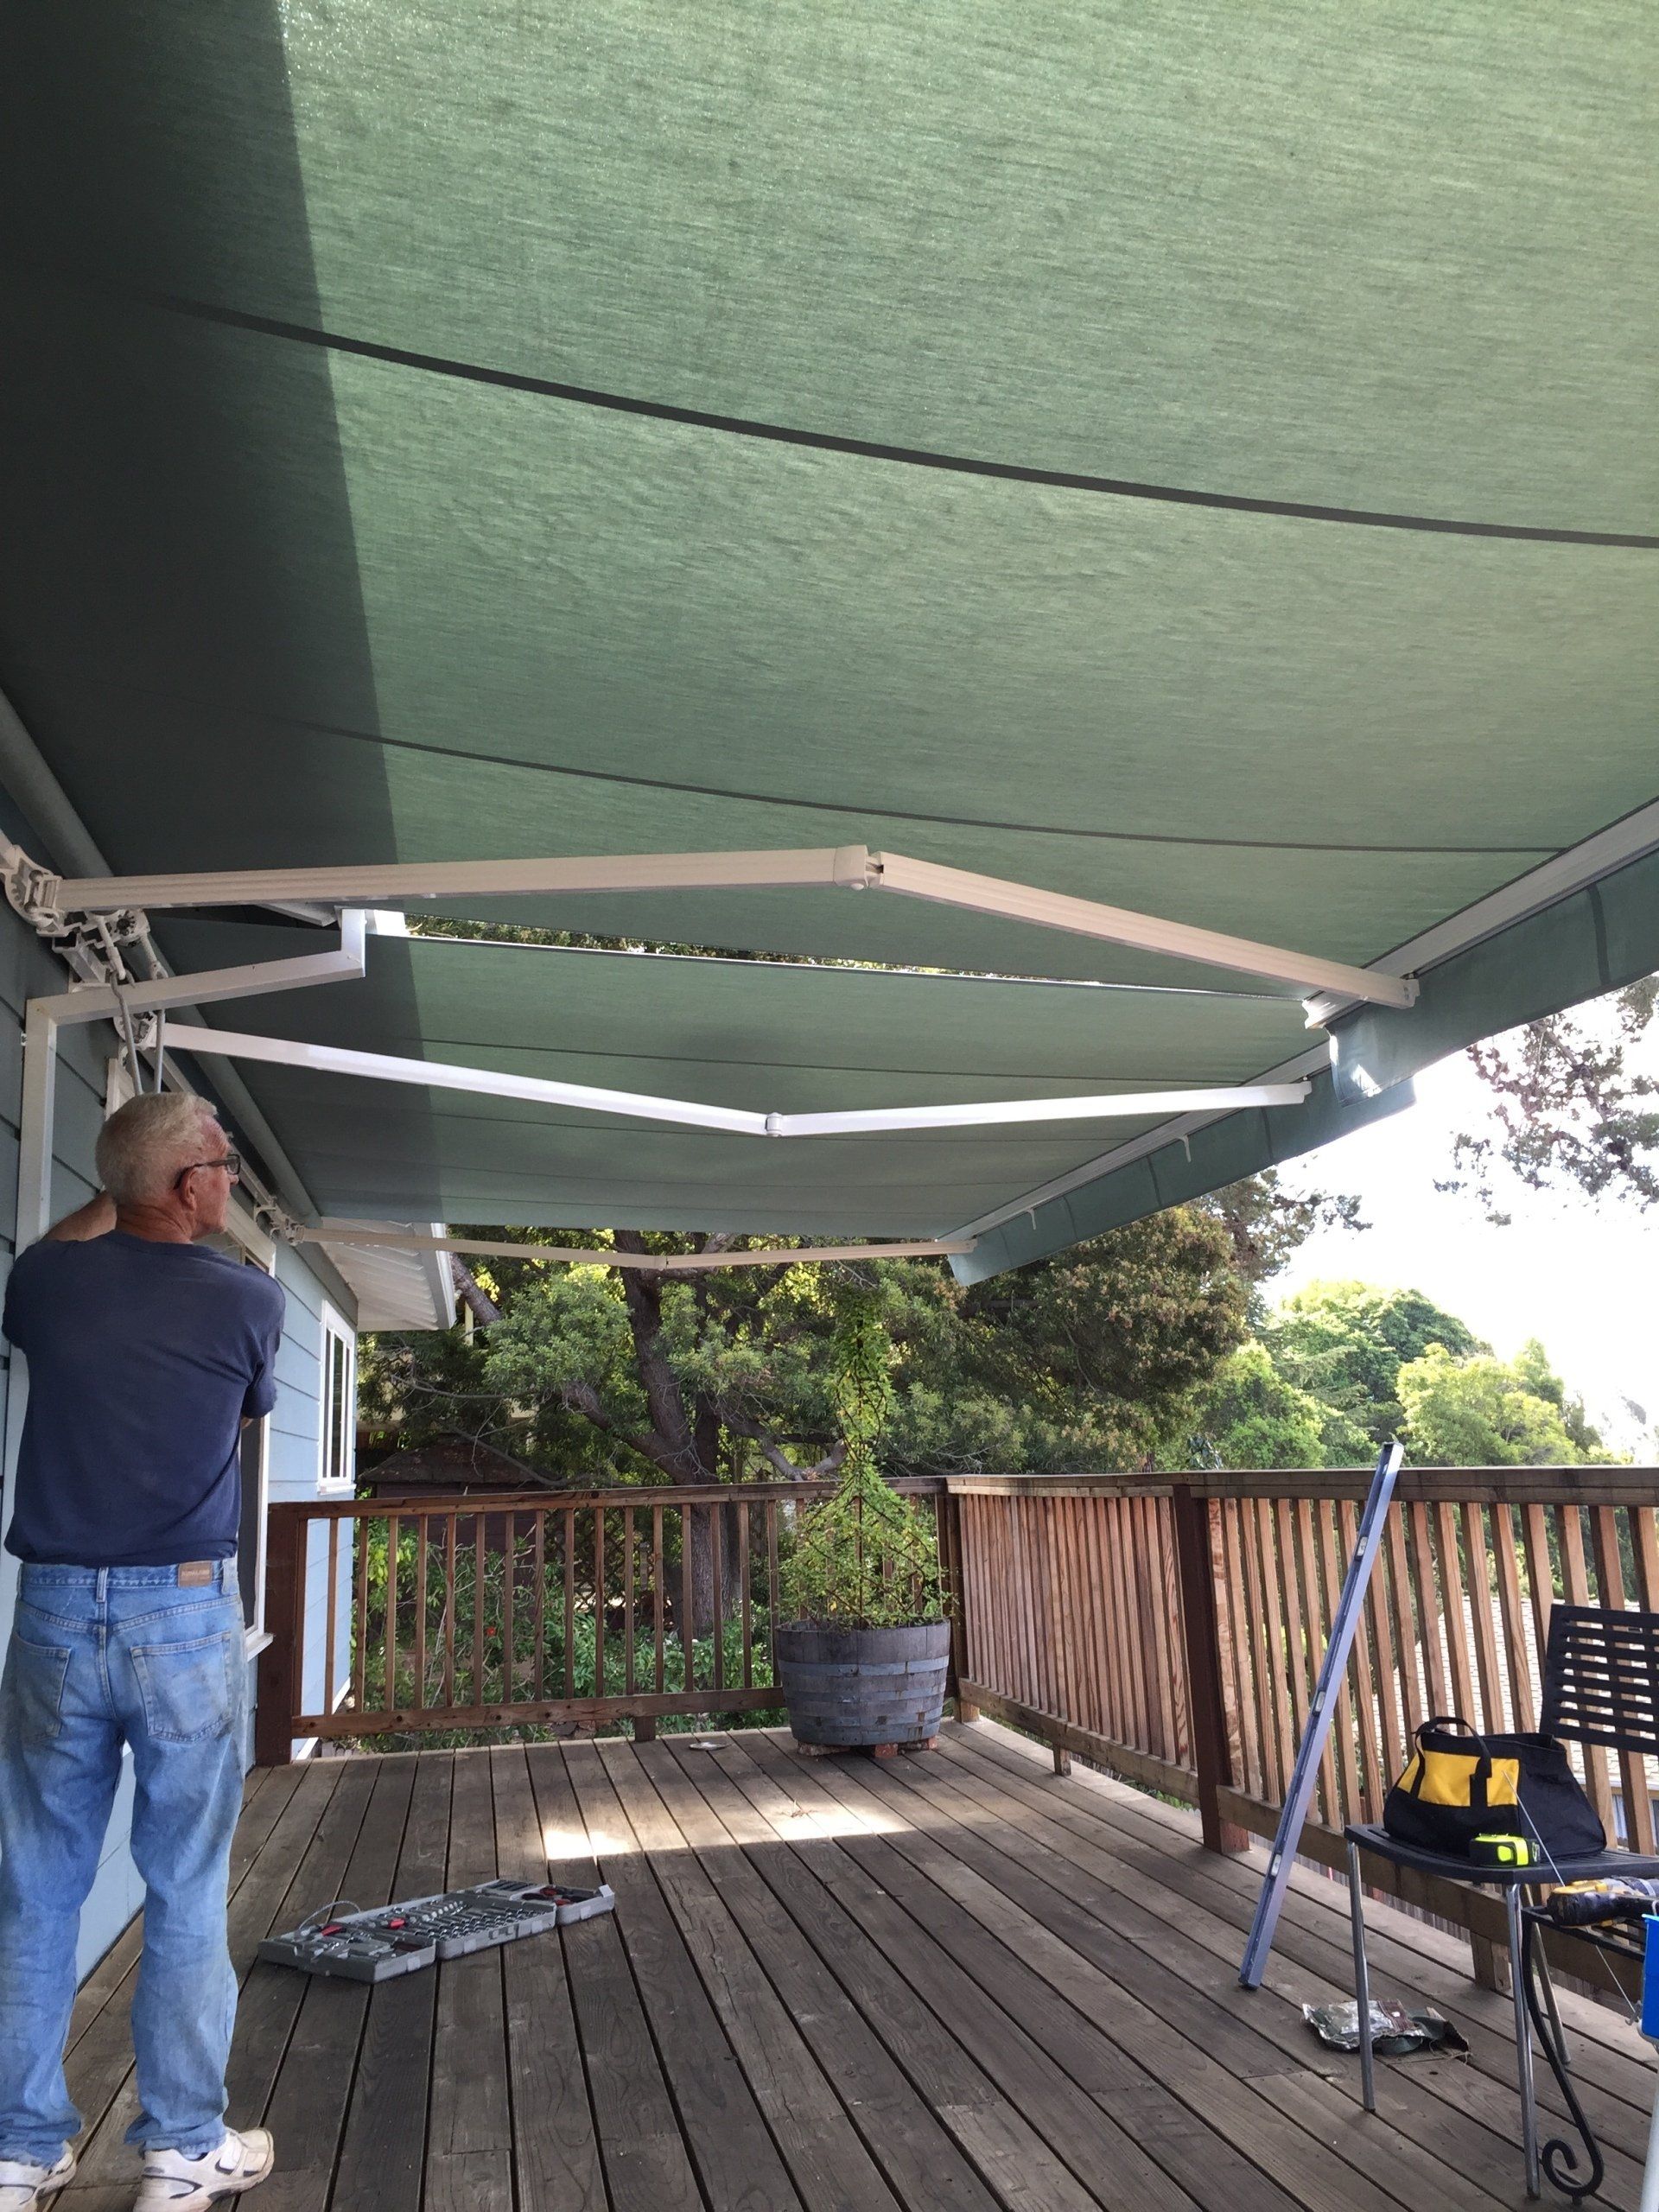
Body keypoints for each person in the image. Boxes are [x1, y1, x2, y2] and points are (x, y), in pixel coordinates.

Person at [0, 1093, 284, 2212]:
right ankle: (181, 2151)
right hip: (183, 1616)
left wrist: (117, 1190)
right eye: (218, 1164)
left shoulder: (45, 1287)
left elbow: (62, 1249)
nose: (231, 1183)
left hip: (55, 1614)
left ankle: (20, 2153)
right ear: (185, 1188)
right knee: (185, 1883)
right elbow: (249, 1411)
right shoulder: (248, 1304)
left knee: (36, 1887)